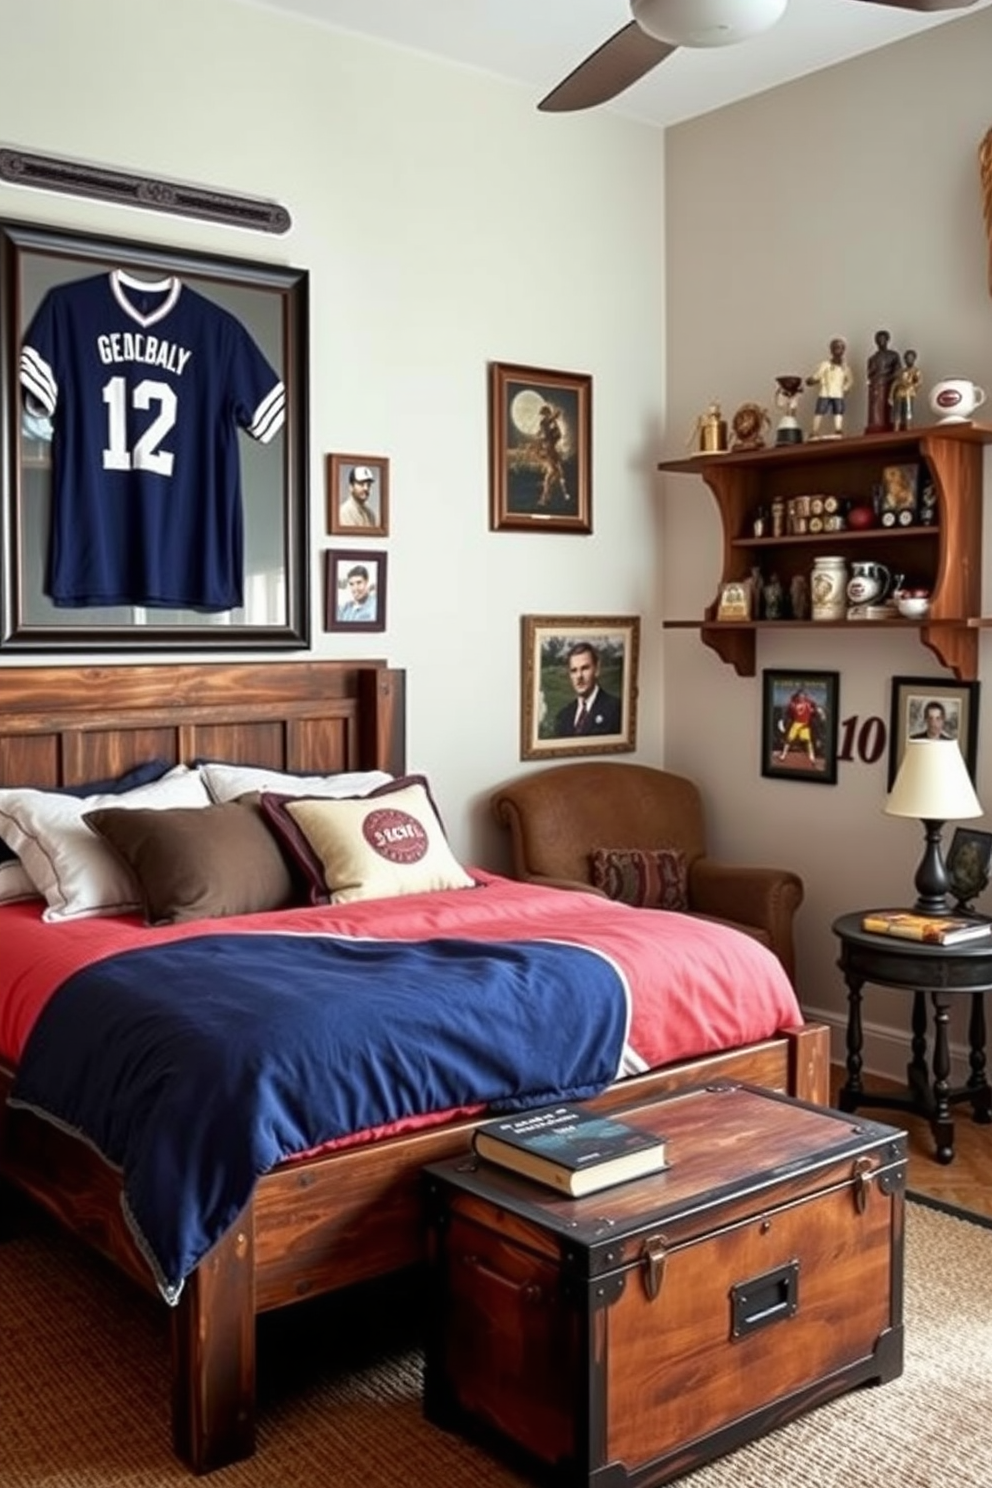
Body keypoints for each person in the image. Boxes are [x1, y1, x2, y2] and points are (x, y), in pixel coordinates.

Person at [553, 641, 623, 737]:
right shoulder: (563, 716)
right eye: (574, 670)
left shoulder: (616, 709)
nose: (579, 676)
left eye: (585, 668)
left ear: (597, 669)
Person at [806, 337, 853, 439]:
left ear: (843, 350)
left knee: (838, 411)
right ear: (831, 350)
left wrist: (844, 389)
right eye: (835, 348)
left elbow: (850, 381)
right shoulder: (825, 365)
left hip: (838, 393)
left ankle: (838, 429)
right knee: (820, 410)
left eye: (840, 348)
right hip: (825, 392)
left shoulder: (845, 368)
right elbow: (818, 375)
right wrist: (812, 380)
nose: (838, 350)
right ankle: (815, 430)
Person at [864, 329, 901, 434]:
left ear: (887, 340)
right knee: (875, 409)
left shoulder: (893, 355)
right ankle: (876, 425)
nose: (881, 341)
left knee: (889, 408)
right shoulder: (872, 358)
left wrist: (888, 379)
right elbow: (869, 374)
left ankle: (891, 425)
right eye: (878, 340)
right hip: (875, 386)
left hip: (889, 386)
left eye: (883, 339)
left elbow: (898, 371)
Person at [777, 687, 823, 764]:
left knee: (807, 741)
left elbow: (816, 710)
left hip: (805, 725)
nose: (801, 697)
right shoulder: (793, 704)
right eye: (800, 696)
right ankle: (783, 755)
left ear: (805, 696)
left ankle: (812, 757)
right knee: (789, 739)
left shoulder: (809, 704)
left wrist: (819, 712)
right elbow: (787, 714)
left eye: (803, 696)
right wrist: (782, 721)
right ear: (797, 696)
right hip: (796, 724)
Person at [536, 404, 570, 506]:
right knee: (553, 473)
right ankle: (546, 497)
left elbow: (557, 434)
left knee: (557, 473)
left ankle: (554, 495)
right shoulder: (545, 423)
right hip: (550, 449)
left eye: (544, 414)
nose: (543, 416)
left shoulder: (549, 423)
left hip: (551, 448)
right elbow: (547, 431)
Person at [889, 349, 922, 432]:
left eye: (911, 358)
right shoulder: (901, 371)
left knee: (908, 412)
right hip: (899, 394)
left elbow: (919, 382)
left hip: (908, 394)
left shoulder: (916, 371)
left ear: (914, 359)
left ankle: (908, 428)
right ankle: (896, 429)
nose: (909, 360)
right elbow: (895, 383)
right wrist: (890, 395)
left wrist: (911, 386)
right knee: (897, 412)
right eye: (907, 358)